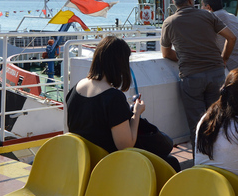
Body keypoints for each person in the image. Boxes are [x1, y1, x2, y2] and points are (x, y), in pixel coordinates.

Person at [66, 35, 180, 171]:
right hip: (109, 165)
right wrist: (136, 113)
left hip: (84, 161)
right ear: (120, 64)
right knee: (171, 162)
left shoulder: (75, 88)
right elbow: (125, 145)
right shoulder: (113, 97)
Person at [161, 0, 236, 145]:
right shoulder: (208, 16)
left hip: (191, 76)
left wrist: (185, 58)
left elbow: (166, 53)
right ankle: (221, 160)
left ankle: (200, 163)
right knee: (218, 120)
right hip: (216, 73)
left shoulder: (169, 22)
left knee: (198, 124)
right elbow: (231, 38)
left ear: (174, 2)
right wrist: (223, 59)